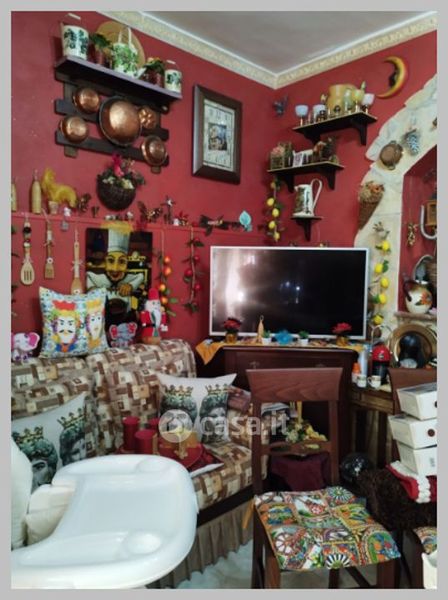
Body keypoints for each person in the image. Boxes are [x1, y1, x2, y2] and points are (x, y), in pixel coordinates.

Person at [86, 230, 145, 316]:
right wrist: (92, 289)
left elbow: (141, 276)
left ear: (127, 264)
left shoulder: (128, 278)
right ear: (105, 262)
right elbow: (88, 276)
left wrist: (131, 286)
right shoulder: (100, 279)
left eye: (122, 262)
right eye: (110, 261)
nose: (115, 268)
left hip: (125, 316)